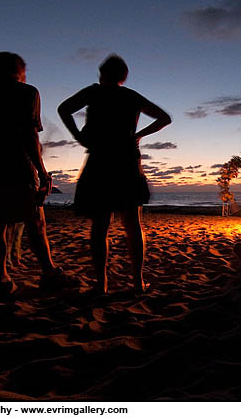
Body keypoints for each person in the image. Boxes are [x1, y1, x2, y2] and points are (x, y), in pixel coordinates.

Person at [58, 54, 171, 294]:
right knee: (132, 224)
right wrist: (139, 134)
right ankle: (138, 282)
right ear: (124, 76)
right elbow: (164, 118)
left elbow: (64, 109)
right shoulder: (130, 96)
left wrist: (78, 135)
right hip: (126, 161)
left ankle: (102, 284)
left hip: (100, 160)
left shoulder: (94, 92)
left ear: (102, 74)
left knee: (100, 226)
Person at [0, 52, 74, 294]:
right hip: (19, 165)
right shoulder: (27, 93)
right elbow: (31, 135)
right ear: (20, 70)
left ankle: (2, 277)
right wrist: (42, 171)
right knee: (35, 222)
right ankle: (49, 272)